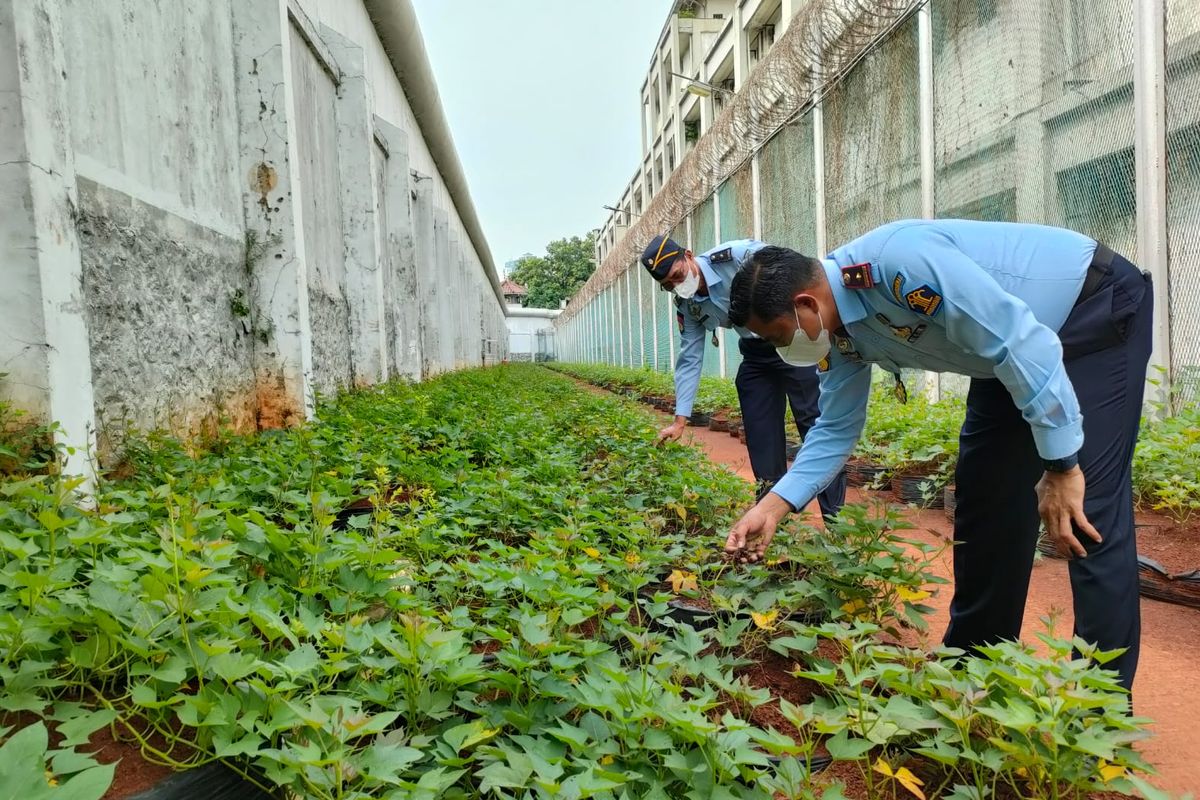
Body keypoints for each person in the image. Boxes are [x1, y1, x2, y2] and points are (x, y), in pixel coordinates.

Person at [722, 219, 1152, 692]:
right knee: (986, 502)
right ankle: (972, 670)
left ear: (804, 304)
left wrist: (1063, 466)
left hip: (1090, 312)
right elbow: (837, 426)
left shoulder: (896, 264)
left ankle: (1097, 711)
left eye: (780, 337)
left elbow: (1021, 341)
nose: (783, 349)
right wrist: (774, 504)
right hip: (1004, 357)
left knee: (1085, 513)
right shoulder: (835, 328)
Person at [640, 234, 846, 516]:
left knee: (814, 426)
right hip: (755, 354)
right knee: (761, 436)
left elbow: (791, 270)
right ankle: (770, 522)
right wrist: (680, 419)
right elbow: (690, 358)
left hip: (792, 341)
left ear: (688, 255)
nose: (678, 285)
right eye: (668, 285)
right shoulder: (687, 305)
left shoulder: (738, 257)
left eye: (677, 275)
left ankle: (837, 518)